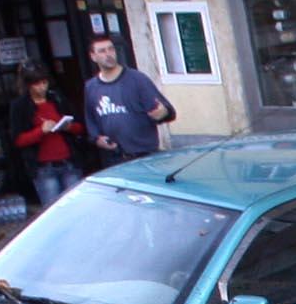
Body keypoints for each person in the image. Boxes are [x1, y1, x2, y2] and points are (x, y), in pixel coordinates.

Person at [79, 36, 176, 164]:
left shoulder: (137, 79)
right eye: (102, 51)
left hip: (144, 155)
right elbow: (90, 119)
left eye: (111, 49)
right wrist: (97, 139)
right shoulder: (91, 87)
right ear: (93, 56)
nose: (108, 54)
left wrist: (163, 113)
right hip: (113, 158)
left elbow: (168, 111)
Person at [13, 77, 80, 205]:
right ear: (29, 85)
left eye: (45, 83)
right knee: (52, 207)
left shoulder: (57, 99)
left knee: (76, 205)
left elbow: (80, 126)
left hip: (68, 162)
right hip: (43, 167)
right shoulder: (20, 106)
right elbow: (18, 140)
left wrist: (68, 126)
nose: (42, 87)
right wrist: (40, 131)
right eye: (37, 84)